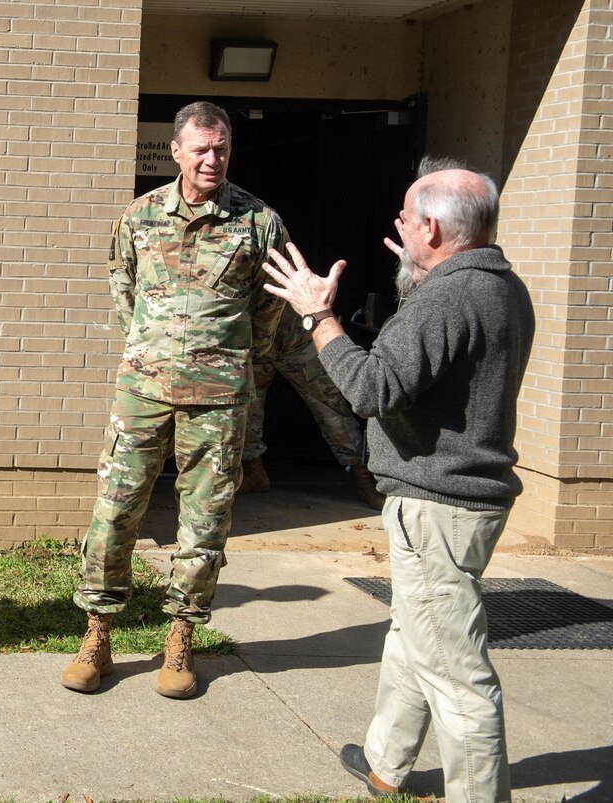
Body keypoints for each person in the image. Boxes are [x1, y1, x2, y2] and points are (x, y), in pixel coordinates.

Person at [262, 156, 534, 802]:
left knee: (456, 673)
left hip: (439, 504)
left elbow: (371, 387)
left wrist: (317, 316)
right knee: (415, 638)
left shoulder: (450, 295)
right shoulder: (499, 284)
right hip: (461, 499)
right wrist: (418, 276)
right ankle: (387, 765)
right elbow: (436, 367)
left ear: (434, 230)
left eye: (408, 218)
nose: (399, 224)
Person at [61, 101, 287, 699]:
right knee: (113, 515)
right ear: (177, 152)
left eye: (222, 149)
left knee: (203, 524)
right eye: (202, 149)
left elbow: (270, 309)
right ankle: (98, 634)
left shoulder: (260, 222)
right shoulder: (138, 218)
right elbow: (124, 293)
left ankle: (180, 638)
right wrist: (154, 354)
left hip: (217, 403)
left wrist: (230, 362)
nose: (213, 159)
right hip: (143, 393)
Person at [237, 303, 385, 509]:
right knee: (245, 408)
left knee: (331, 408)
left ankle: (365, 478)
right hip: (251, 341)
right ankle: (253, 472)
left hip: (294, 336)